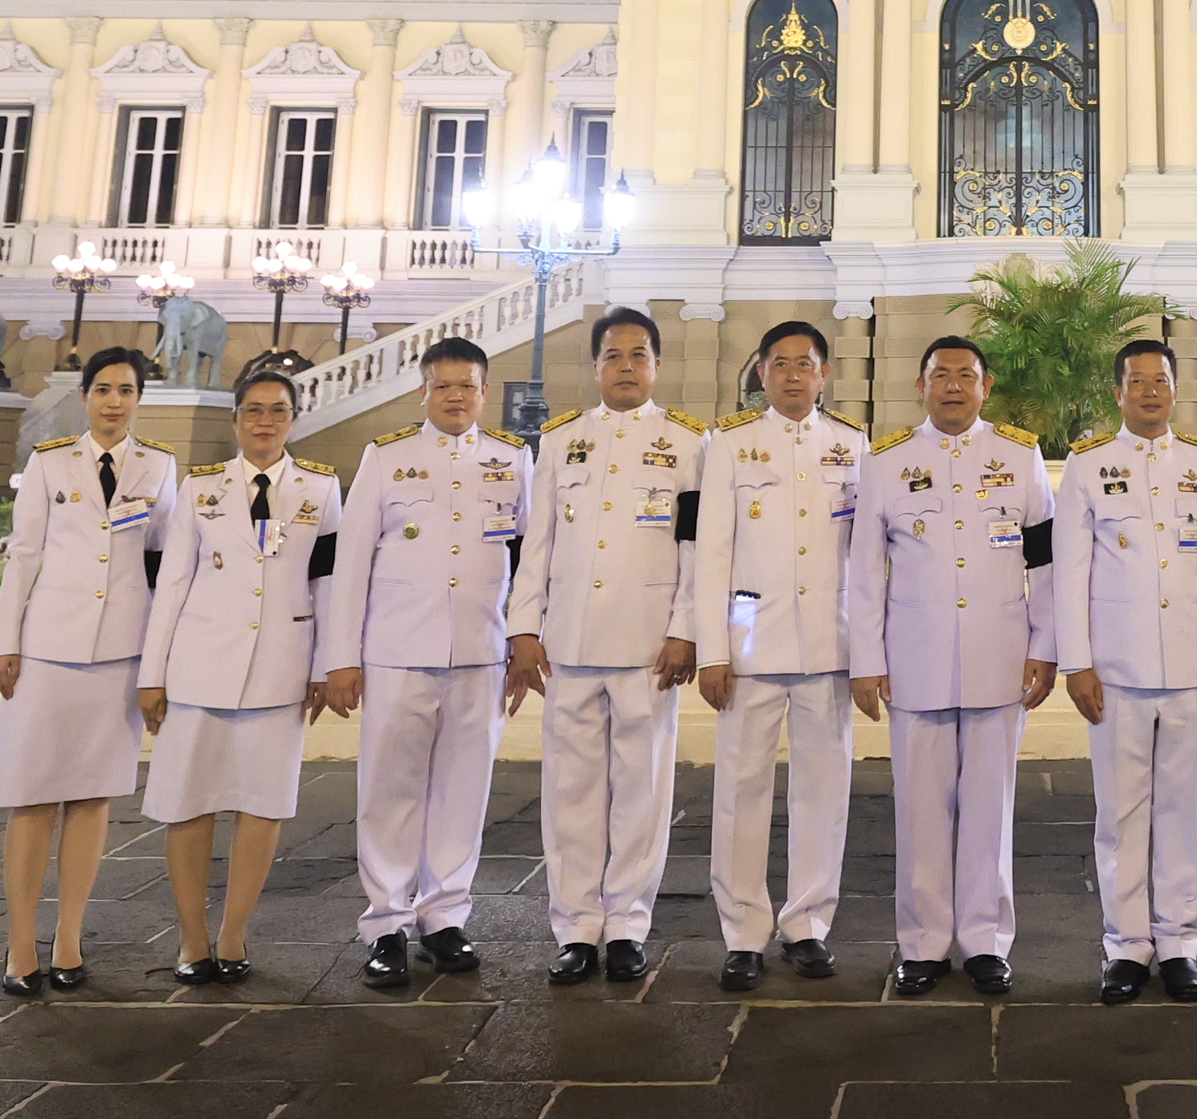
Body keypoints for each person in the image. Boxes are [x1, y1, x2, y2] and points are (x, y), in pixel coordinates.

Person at [849, 333, 1058, 995]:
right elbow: (864, 571)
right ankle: (923, 943)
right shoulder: (887, 461)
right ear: (922, 386)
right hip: (916, 657)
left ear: (985, 386)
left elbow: (1045, 562)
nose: (953, 386)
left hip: (1000, 654)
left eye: (966, 375)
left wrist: (1045, 645)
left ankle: (986, 940)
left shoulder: (1020, 456)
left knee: (990, 806)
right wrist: (865, 659)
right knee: (921, 809)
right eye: (940, 375)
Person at [322, 336, 530, 989]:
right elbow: (351, 563)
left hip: (479, 651)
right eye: (443, 385)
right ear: (423, 391)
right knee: (390, 791)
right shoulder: (387, 458)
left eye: (467, 385)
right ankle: (386, 923)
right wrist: (341, 657)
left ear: (484, 392)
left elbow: (530, 560)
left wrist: (523, 639)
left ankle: (444, 917)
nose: (455, 396)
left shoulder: (512, 459)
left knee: (463, 793)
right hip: (398, 650)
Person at [505, 306, 702, 983]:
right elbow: (537, 543)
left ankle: (627, 925)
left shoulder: (687, 443)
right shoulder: (562, 440)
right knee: (571, 790)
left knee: (642, 789)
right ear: (595, 367)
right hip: (570, 638)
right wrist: (523, 626)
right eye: (613, 356)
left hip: (648, 642)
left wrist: (685, 627)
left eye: (638, 355)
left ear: (656, 365)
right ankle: (577, 927)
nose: (626, 366)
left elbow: (694, 546)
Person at [137, 364, 341, 985]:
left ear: (294, 420)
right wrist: (152, 674)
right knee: (189, 804)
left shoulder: (321, 488)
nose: (265, 421)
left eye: (278, 410)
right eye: (254, 409)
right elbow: (173, 583)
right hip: (200, 667)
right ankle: (192, 937)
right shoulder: (201, 488)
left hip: (281, 668)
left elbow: (328, 584)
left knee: (262, 806)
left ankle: (233, 934)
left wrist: (325, 665)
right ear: (235, 419)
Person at [1052, 334, 1197, 1004]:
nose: (1149, 391)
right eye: (1137, 381)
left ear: (1176, 390)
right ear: (1118, 391)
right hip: (1117, 668)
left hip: (1192, 664)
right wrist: (1077, 661)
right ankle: (1127, 946)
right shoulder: (1087, 466)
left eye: (1160, 380)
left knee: (1188, 812)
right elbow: (1070, 572)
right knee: (1121, 813)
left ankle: (1180, 942)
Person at [0, 345, 177, 996]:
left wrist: (158, 662)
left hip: (120, 653)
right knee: (32, 795)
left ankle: (68, 936)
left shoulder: (160, 467)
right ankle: (20, 942)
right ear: (85, 396)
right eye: (102, 389)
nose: (113, 402)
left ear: (139, 399)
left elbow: (165, 567)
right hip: (46, 650)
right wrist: (5, 643)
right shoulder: (50, 462)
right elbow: (23, 556)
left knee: (93, 798)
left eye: (126, 390)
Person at [691, 317, 864, 989]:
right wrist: (713, 649)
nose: (793, 375)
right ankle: (743, 933)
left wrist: (866, 651)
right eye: (781, 364)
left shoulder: (852, 444)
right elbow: (712, 552)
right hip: (750, 645)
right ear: (761, 373)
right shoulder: (730, 444)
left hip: (828, 643)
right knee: (741, 793)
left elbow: (865, 559)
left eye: (805, 363)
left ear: (824, 375)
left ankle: (808, 925)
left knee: (824, 792)